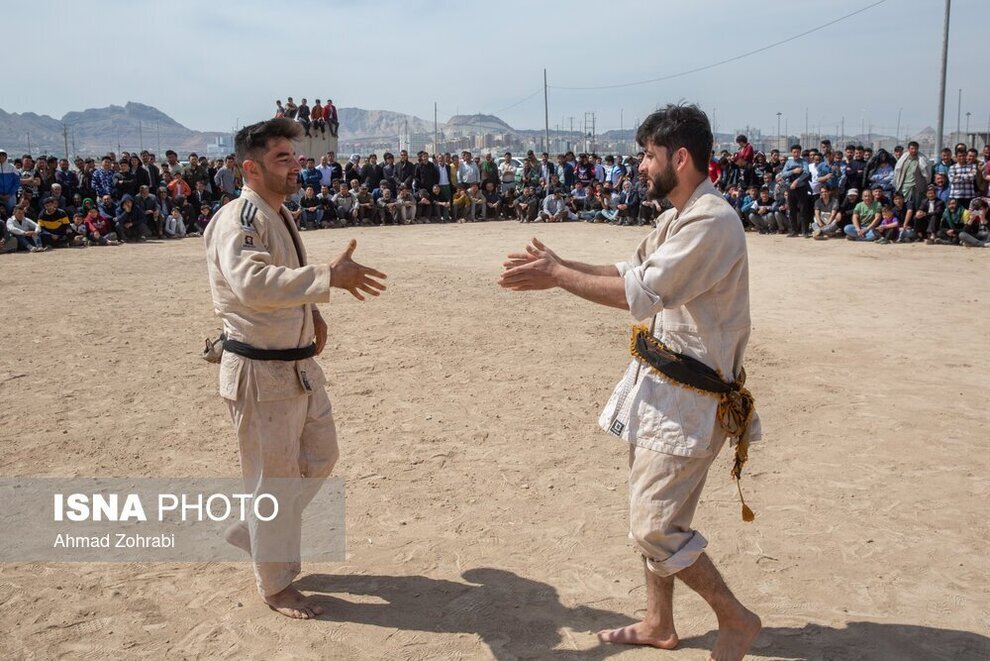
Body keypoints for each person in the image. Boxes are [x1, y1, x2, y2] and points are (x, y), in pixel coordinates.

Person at [499, 104, 762, 661]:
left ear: (680, 158)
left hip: (690, 401)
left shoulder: (710, 220)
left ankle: (735, 618)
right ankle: (659, 622)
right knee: (659, 516)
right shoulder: (678, 216)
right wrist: (562, 263)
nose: (641, 166)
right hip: (664, 393)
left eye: (649, 155)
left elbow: (636, 296)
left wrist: (556, 277)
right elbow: (628, 272)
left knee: (654, 527)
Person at [203, 118, 387, 620]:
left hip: (296, 364)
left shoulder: (277, 213)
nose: (295, 165)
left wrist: (314, 310)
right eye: (282, 158)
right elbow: (251, 283)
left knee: (321, 456)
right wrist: (329, 277)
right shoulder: (239, 217)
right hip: (260, 372)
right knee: (272, 479)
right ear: (251, 167)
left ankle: (253, 533)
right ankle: (275, 585)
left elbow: (281, 280)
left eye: (295, 156)